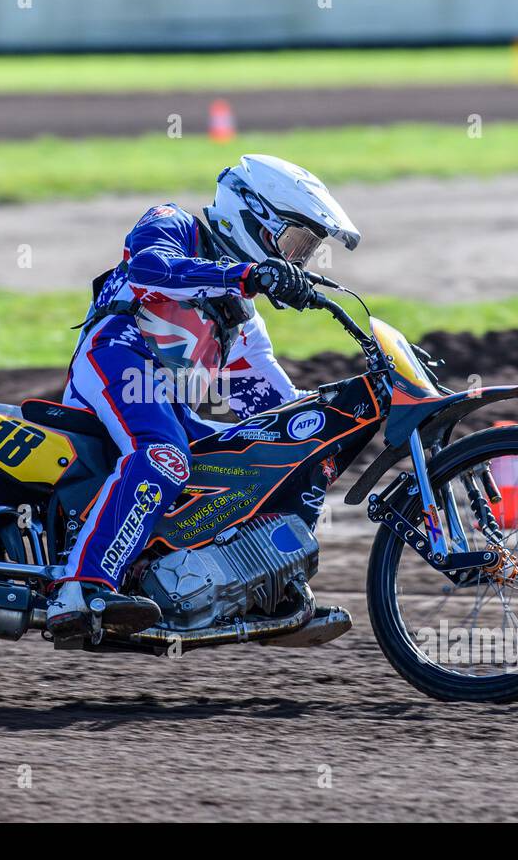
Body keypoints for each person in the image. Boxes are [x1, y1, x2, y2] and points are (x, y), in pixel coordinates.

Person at [46, 154, 361, 639]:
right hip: (118, 357)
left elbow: (278, 400)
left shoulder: (241, 320)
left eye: (307, 250)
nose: (295, 260)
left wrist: (327, 429)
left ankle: (271, 589)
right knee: (163, 455)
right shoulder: (173, 223)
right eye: (294, 242)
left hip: (171, 398)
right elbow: (152, 269)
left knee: (285, 449)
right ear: (252, 214)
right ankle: (79, 587)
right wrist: (245, 275)